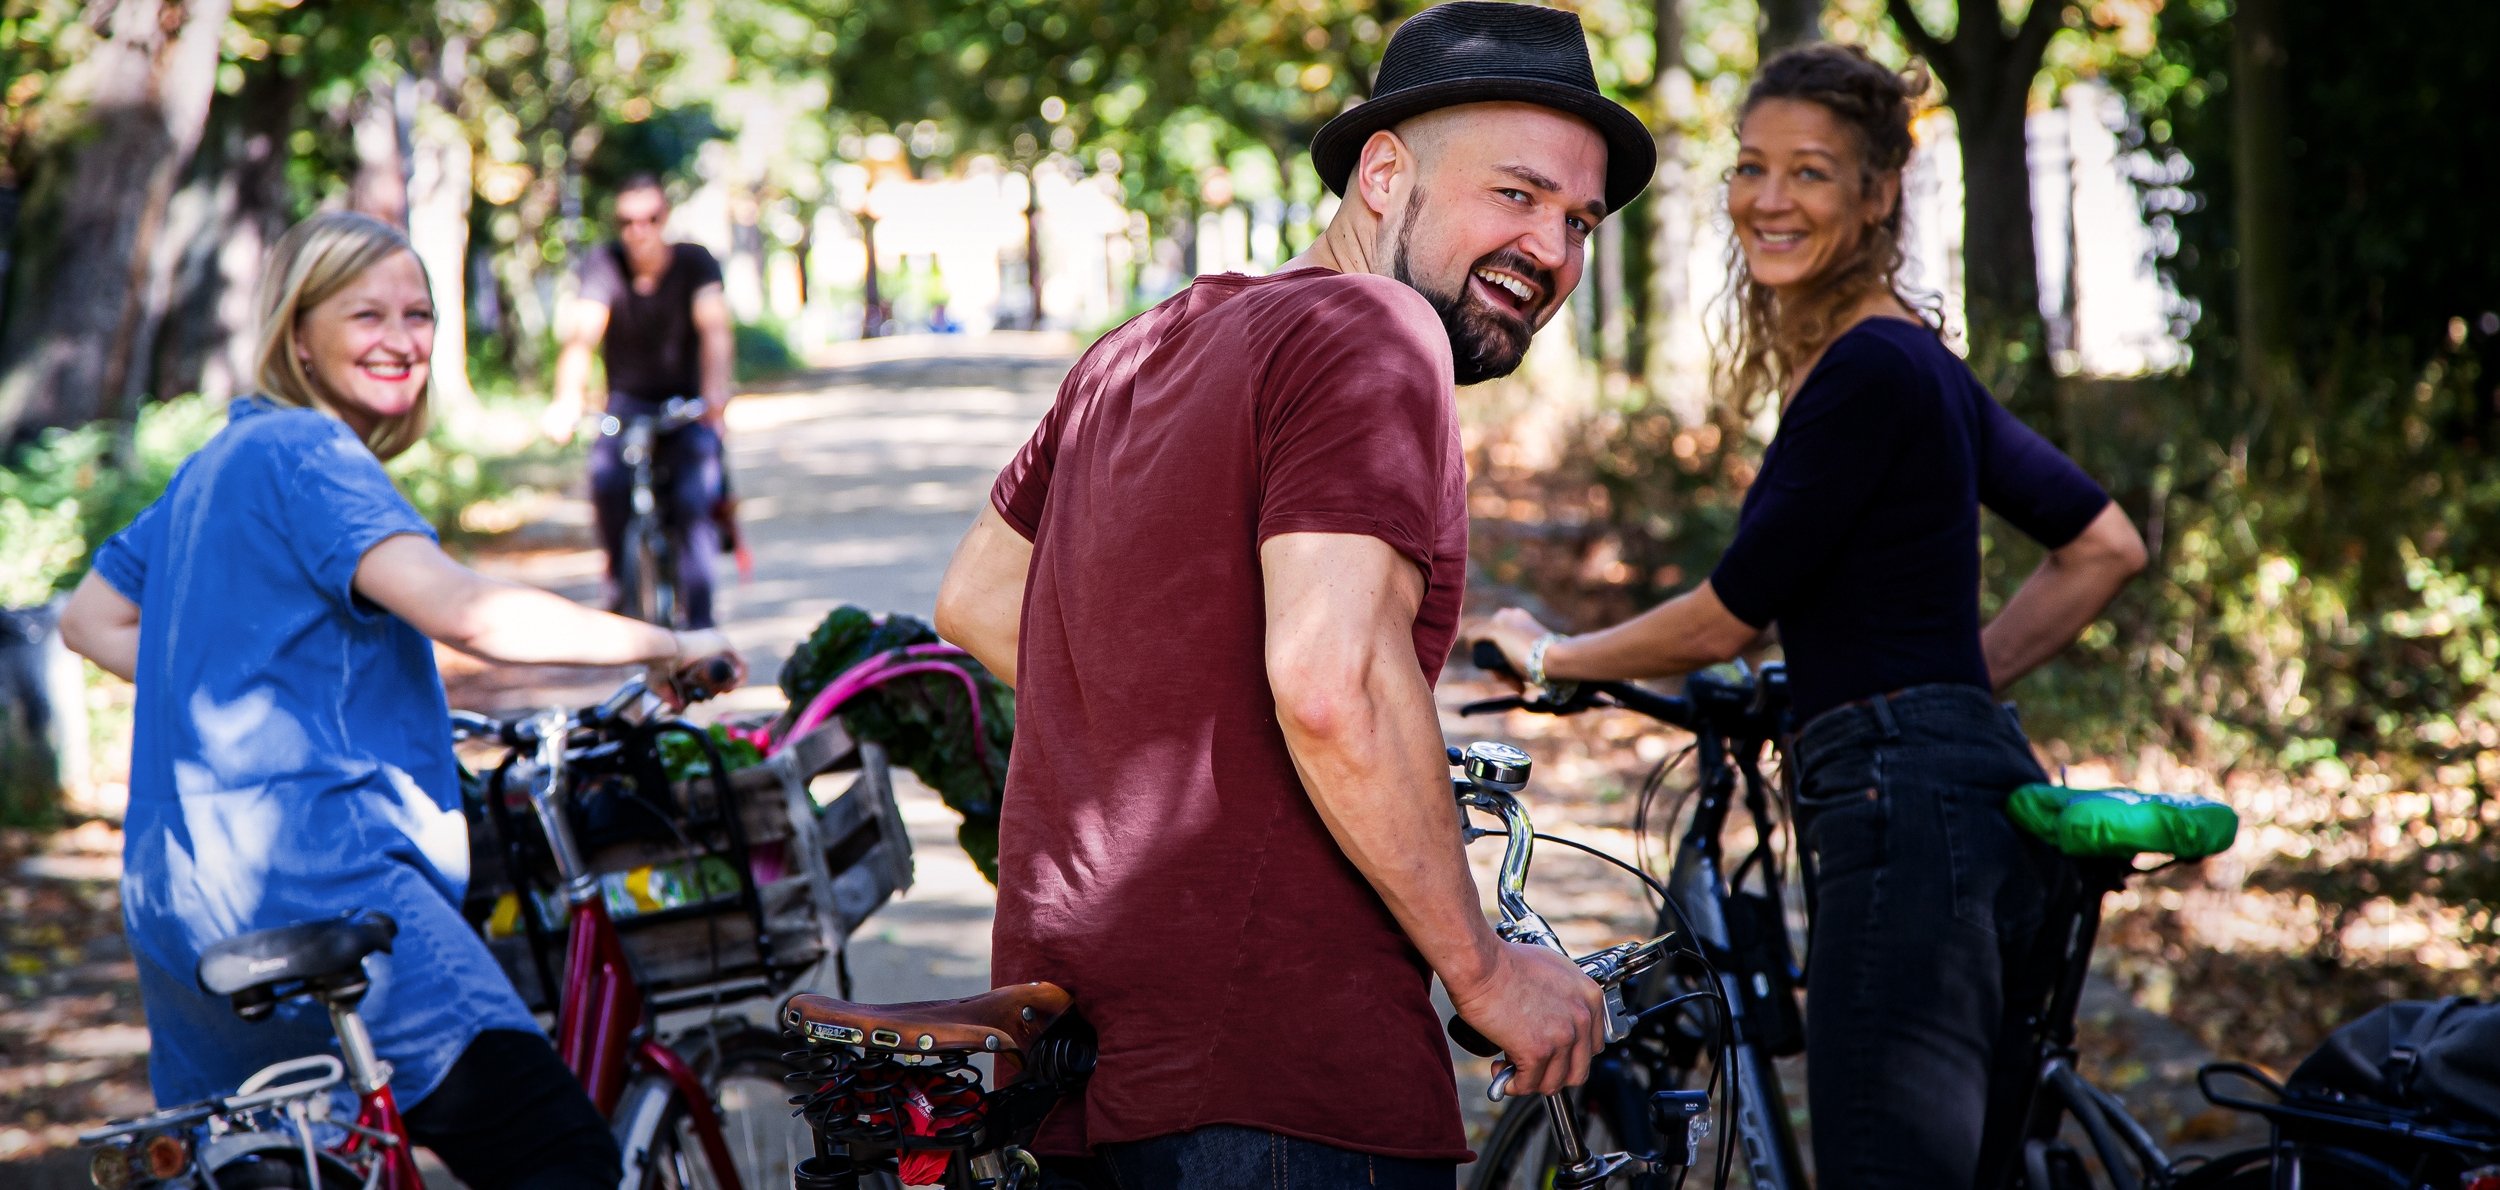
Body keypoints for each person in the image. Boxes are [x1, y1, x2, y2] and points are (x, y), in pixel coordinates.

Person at [930, 4, 1650, 1184]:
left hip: (1081, 1064)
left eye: (1577, 220)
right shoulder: (1374, 328)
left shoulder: (1144, 343)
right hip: (1282, 1082)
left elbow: (977, 594)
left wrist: (1198, 717)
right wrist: (1484, 970)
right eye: (1513, 195)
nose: (1553, 250)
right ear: (1382, 173)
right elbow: (1332, 684)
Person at [1474, 44, 2150, 1190]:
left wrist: (1550, 654)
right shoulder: (1913, 358)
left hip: (1900, 813)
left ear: (1878, 193)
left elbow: (1724, 618)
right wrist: (1946, 685)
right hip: (1979, 800)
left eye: (1812, 172)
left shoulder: (1863, 373)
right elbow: (2103, 546)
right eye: (1749, 167)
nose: (1769, 199)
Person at [58, 211, 742, 1190]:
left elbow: (91, 617)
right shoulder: (309, 454)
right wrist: (670, 641)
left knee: (335, 1160)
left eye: (418, 313)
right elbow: (469, 613)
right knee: (559, 1152)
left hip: (181, 897)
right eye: (365, 313)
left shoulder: (218, 463)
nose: (401, 338)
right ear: (297, 332)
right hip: (319, 874)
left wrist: (258, 686)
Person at [545, 173, 735, 629]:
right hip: (626, 405)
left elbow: (715, 332)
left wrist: (715, 395)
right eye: (628, 221)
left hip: (684, 405)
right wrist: (565, 399)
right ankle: (618, 586)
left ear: (664, 218)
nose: (639, 231)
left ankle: (702, 624)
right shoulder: (605, 264)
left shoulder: (695, 264)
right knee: (606, 481)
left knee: (692, 502)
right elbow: (582, 336)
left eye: (650, 218)